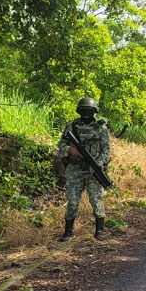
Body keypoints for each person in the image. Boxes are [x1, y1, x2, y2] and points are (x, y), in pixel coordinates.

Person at [57, 97, 111, 241]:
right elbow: (61, 143)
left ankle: (100, 231)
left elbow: (106, 152)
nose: (86, 113)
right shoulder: (72, 126)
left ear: (94, 111)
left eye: (89, 110)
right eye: (84, 110)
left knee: (96, 199)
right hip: (75, 169)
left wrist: (97, 165)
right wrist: (70, 150)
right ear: (79, 111)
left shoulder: (101, 128)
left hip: (93, 170)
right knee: (73, 200)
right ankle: (68, 232)